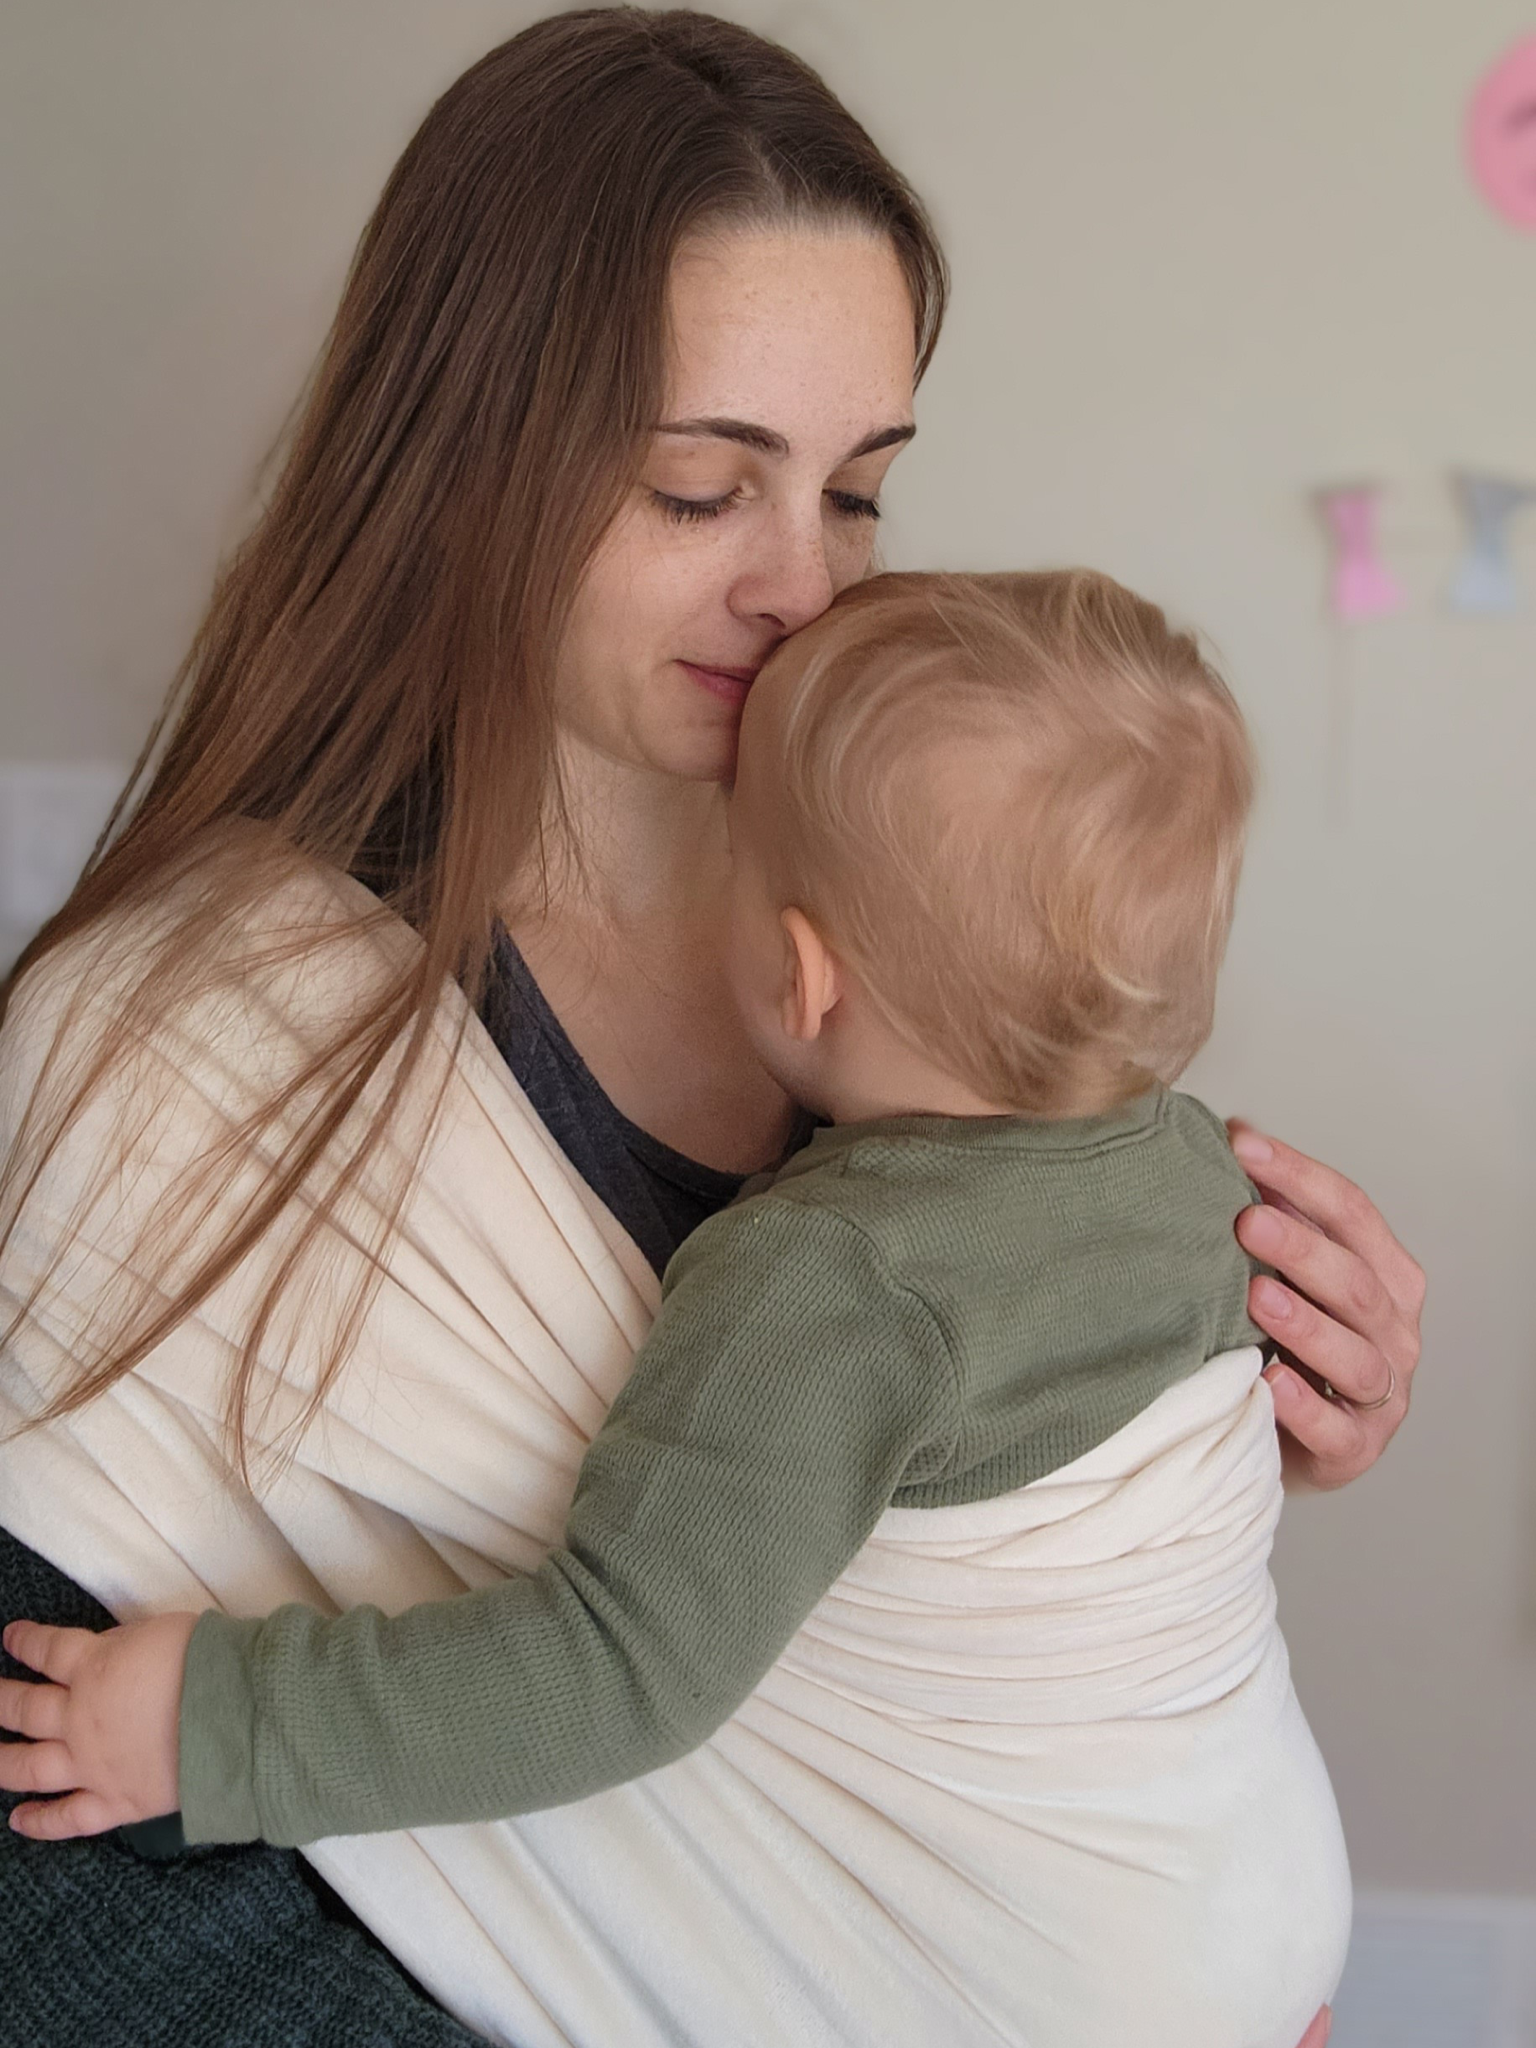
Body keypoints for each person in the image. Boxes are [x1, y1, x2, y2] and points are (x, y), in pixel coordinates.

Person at [0, 10, 1420, 2045]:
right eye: (697, 488)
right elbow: (66, 1870)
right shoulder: (179, 1052)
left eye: (856, 493)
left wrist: (1256, 1391)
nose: (797, 586)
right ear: (468, 455)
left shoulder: (933, 920)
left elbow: (968, 1547)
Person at [2, 567, 1352, 2047]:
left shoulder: (831, 1282)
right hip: (1259, 1902)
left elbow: (611, 1670)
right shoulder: (1198, 1174)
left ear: (799, 970)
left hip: (1043, 1986)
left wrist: (218, 1728)